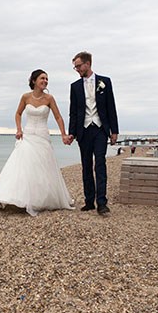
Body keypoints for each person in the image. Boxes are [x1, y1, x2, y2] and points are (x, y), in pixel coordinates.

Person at [0, 69, 75, 216]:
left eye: (47, 79)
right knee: (24, 167)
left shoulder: (49, 98)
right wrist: (19, 129)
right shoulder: (25, 97)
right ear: (34, 81)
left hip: (42, 135)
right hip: (28, 135)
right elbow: (18, 113)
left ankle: (41, 200)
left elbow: (58, 117)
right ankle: (19, 198)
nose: (45, 81)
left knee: (43, 168)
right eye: (42, 78)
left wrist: (63, 134)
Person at [67, 51, 119, 215]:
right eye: (75, 67)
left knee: (100, 164)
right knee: (86, 166)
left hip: (100, 129)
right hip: (83, 130)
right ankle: (89, 201)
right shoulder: (74, 87)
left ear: (88, 64)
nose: (77, 69)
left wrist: (114, 130)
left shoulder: (105, 82)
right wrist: (72, 133)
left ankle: (102, 203)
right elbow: (73, 112)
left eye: (78, 66)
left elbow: (111, 107)